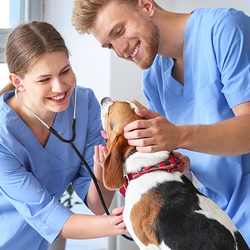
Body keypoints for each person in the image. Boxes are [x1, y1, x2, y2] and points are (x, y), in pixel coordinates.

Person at [71, 0, 250, 246]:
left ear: (146, 5)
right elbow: (184, 164)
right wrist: (146, 206)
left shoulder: (226, 29)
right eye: (109, 46)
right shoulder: (154, 79)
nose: (121, 49)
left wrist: (179, 135)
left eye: (119, 31)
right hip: (214, 220)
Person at [0, 21, 128, 250]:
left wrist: (100, 168)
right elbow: (46, 214)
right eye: (44, 80)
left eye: (65, 71)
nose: (60, 87)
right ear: (17, 82)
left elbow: (98, 206)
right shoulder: (3, 135)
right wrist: (127, 221)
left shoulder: (84, 104)